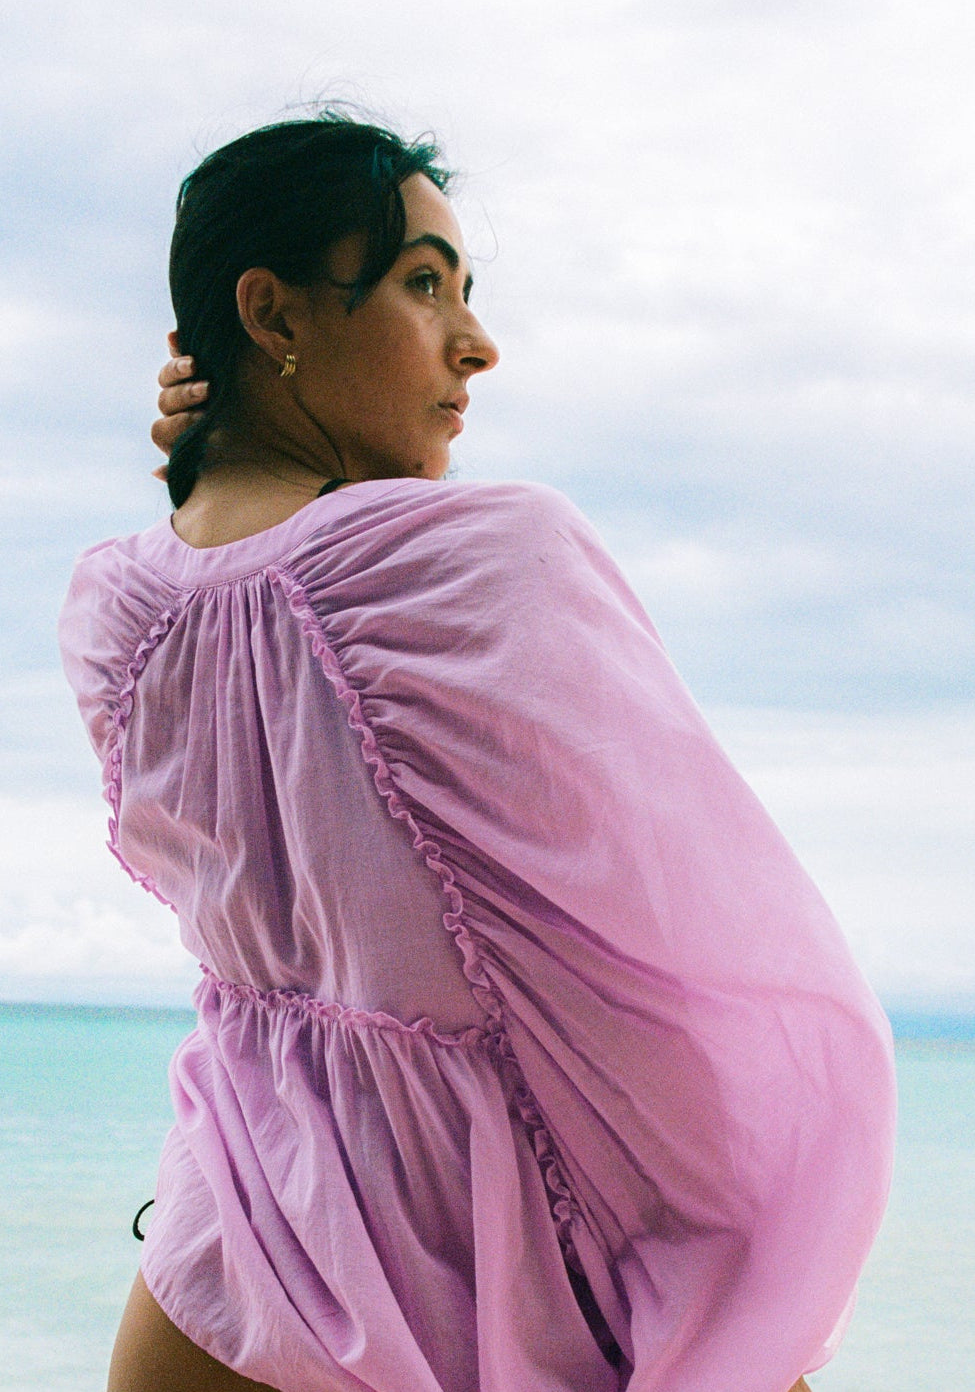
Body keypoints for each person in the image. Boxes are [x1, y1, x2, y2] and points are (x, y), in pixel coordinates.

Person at [60, 110, 896, 1392]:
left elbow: (251, 596)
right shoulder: (490, 564)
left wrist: (215, 451)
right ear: (273, 315)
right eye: (421, 284)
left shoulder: (115, 615)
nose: (477, 344)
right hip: (484, 1280)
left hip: (233, 1254)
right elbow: (681, 984)